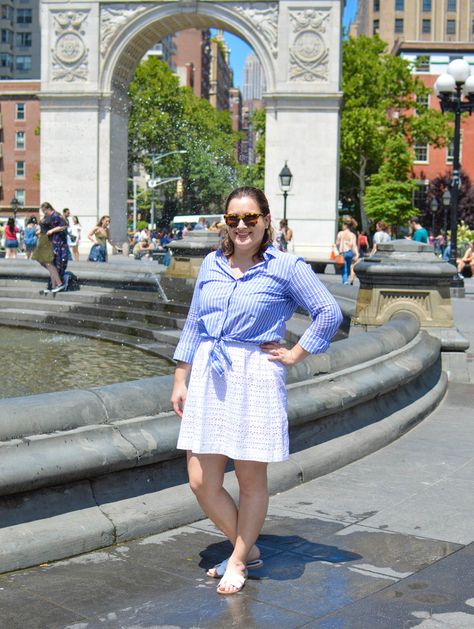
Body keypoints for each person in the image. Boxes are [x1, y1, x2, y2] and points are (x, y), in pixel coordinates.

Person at [170, 186, 342, 596]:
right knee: (200, 479)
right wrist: (180, 376)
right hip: (211, 374)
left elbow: (329, 312)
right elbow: (195, 321)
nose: (242, 226)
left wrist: (297, 353)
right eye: (233, 220)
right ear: (225, 224)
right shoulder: (212, 263)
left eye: (250, 218)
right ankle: (248, 548)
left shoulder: (285, 267)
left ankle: (238, 559)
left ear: (266, 220)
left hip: (255, 373)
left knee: (250, 478)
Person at [32, 201, 68, 293]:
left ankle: (57, 284)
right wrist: (39, 231)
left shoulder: (57, 215)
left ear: (49, 208)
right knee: (47, 262)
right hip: (46, 241)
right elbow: (44, 227)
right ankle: (54, 285)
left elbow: (64, 226)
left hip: (56, 242)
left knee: (49, 263)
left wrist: (52, 230)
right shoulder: (47, 217)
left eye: (44, 211)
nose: (44, 213)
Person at [335, 217, 359, 285]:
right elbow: (354, 245)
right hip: (350, 253)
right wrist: (357, 254)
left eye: (343, 225)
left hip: (343, 253)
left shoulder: (340, 233)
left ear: (345, 225)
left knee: (343, 267)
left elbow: (337, 243)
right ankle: (346, 280)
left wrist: (339, 249)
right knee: (348, 267)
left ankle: (345, 281)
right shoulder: (352, 235)